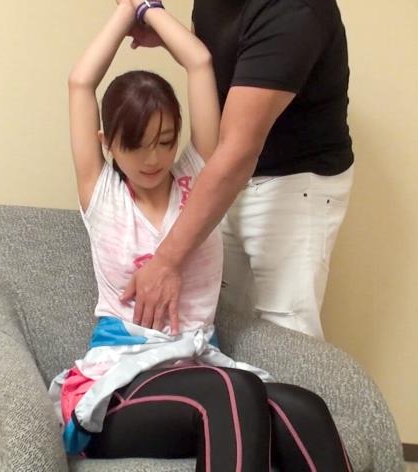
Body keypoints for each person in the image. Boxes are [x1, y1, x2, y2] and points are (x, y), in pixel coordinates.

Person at [48, 1, 353, 470]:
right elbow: (80, 83)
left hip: (195, 365)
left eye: (165, 141)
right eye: (136, 145)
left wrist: (152, 10)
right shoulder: (102, 193)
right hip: (122, 384)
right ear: (107, 143)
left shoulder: (197, 180)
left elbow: (200, 62)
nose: (153, 159)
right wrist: (129, 9)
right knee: (231, 390)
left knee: (305, 409)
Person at [120, 0, 355, 340]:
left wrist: (166, 261)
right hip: (233, 173)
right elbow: (218, 60)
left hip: (295, 182)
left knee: (286, 331)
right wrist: (164, 33)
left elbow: (238, 150)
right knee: (224, 316)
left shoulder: (295, 10)